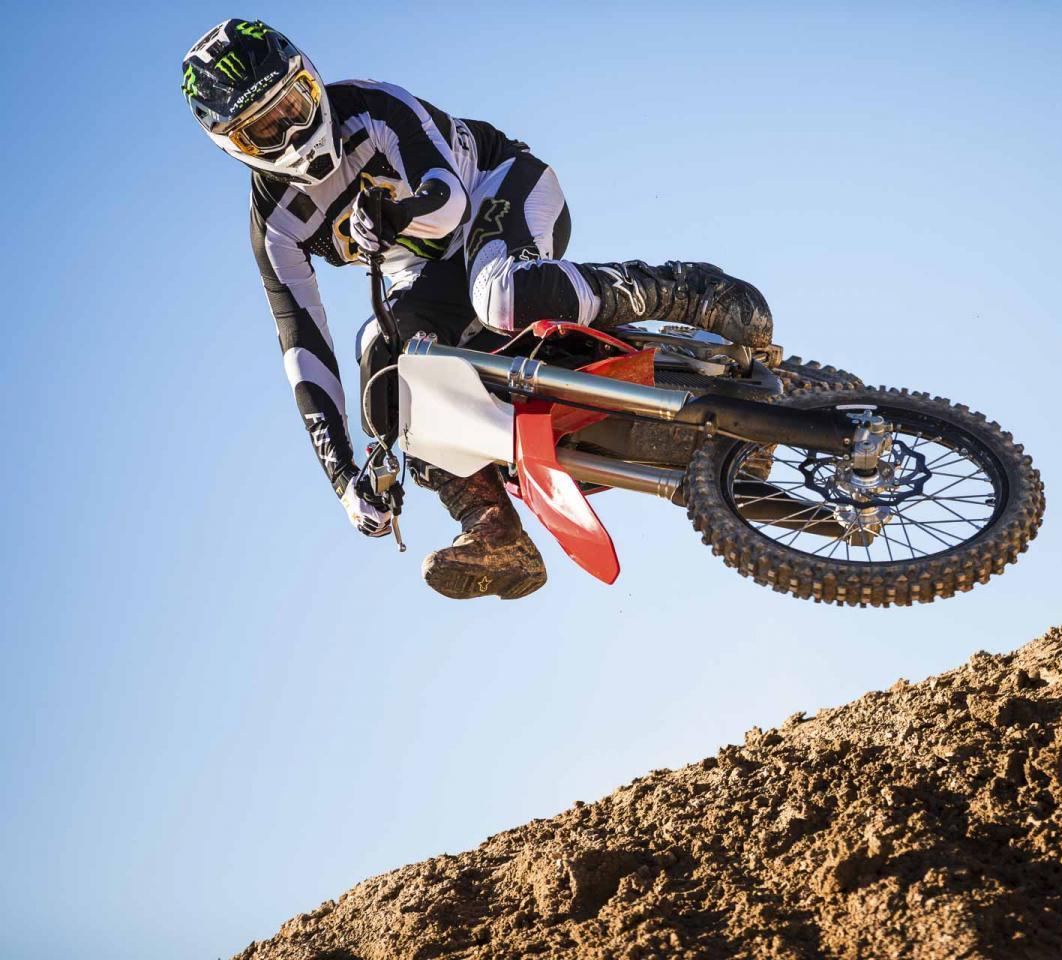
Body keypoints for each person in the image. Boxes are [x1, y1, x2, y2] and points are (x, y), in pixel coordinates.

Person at [181, 18, 772, 600]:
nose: (293, 130)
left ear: (310, 76)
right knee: (385, 376)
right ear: (234, 146)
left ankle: (684, 289)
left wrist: (398, 215)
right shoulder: (275, 228)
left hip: (496, 188)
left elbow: (448, 204)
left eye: (294, 102)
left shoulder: (372, 107)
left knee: (499, 293)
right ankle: (493, 530)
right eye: (265, 128)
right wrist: (342, 477)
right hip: (425, 276)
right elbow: (304, 351)